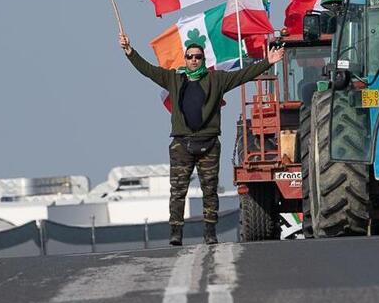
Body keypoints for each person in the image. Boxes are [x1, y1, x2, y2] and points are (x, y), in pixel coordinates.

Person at [119, 31, 284, 245]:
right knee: (177, 191)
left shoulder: (217, 79)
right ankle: (176, 233)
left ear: (203, 59)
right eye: (190, 57)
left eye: (197, 56)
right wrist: (130, 51)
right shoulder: (173, 79)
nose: (194, 60)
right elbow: (148, 70)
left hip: (209, 144)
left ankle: (209, 232)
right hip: (182, 144)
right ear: (185, 59)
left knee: (210, 190)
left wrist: (267, 62)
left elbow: (243, 74)